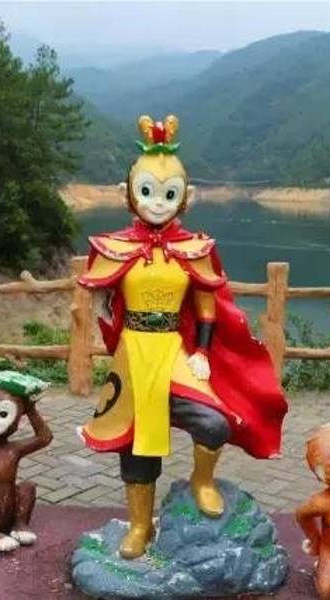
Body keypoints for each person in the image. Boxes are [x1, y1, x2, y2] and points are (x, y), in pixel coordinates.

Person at [77, 114, 288, 559]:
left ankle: (202, 480)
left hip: (175, 351)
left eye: (168, 194)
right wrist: (103, 311)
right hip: (134, 355)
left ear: (185, 198)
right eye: (147, 192)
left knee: (213, 422)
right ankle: (139, 525)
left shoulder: (195, 249)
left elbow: (207, 307)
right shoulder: (114, 248)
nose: (157, 203)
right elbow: (101, 299)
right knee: (135, 442)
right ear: (128, 194)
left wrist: (203, 353)